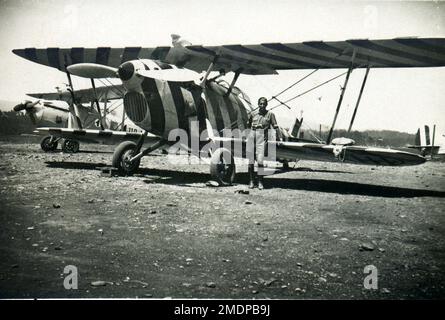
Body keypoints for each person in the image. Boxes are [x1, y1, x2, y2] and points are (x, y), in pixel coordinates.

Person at [247, 97, 282, 190]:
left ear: (266, 105)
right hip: (252, 136)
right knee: (250, 161)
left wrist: (280, 138)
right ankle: (251, 181)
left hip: (262, 139)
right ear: (258, 104)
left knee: (260, 161)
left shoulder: (270, 114)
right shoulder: (253, 114)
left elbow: (275, 127)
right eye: (260, 104)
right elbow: (248, 124)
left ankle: (260, 182)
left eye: (264, 104)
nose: (262, 106)